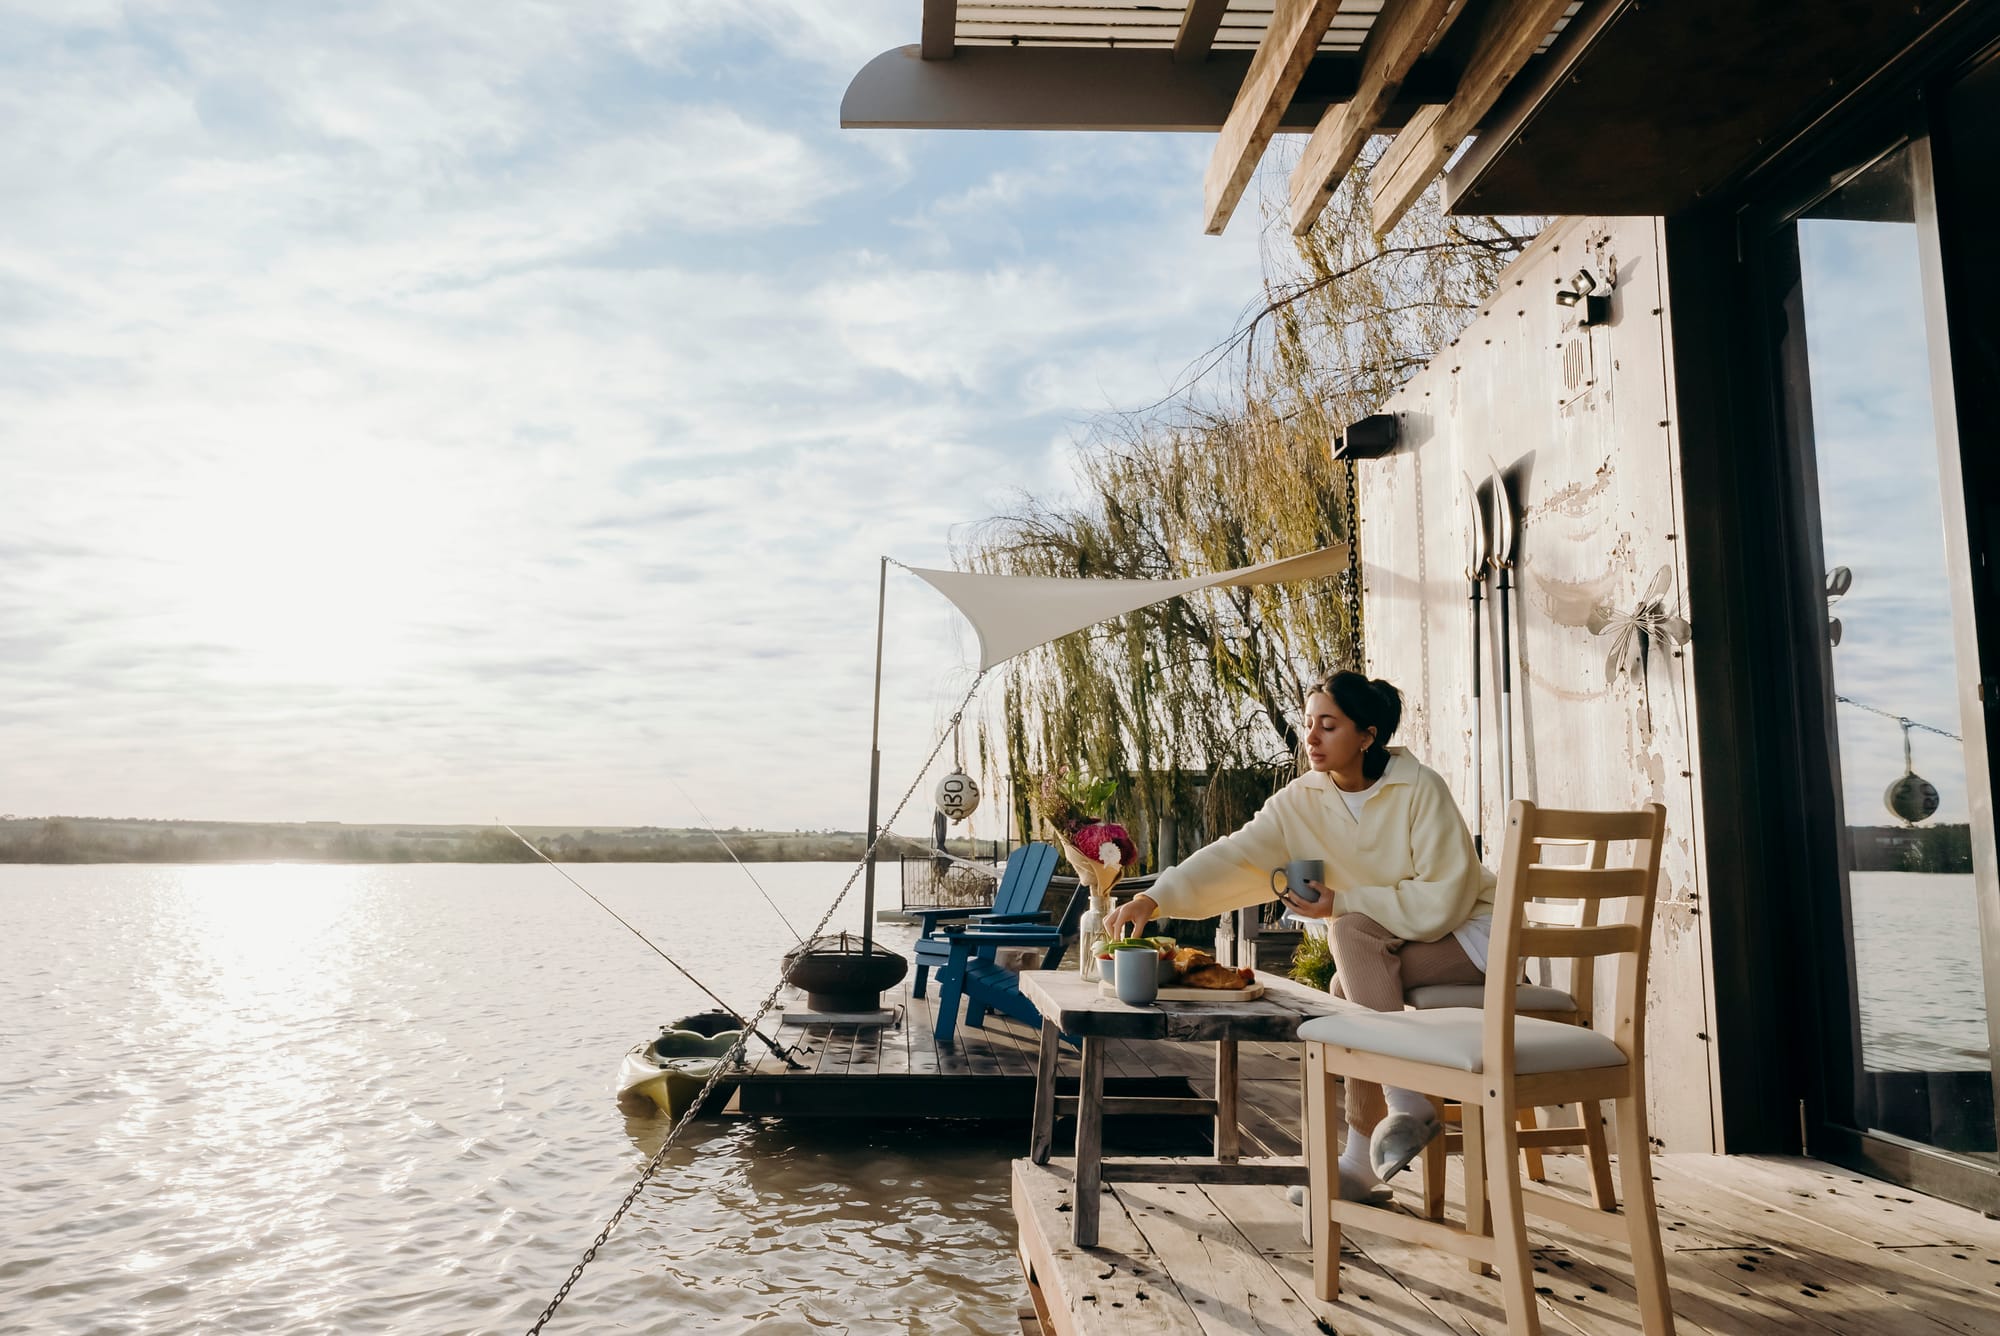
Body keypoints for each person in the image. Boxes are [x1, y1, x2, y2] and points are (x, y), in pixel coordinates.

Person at [1103, 670, 1495, 1203]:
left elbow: (1445, 894)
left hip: (1472, 937)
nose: (1310, 737)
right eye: (1308, 724)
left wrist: (1344, 903)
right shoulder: (1301, 800)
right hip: (1401, 940)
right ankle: (1368, 1151)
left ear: (1367, 735)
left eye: (1328, 726)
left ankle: (1402, 1108)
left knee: (1350, 936)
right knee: (1346, 991)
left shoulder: (1419, 787)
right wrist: (1157, 897)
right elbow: (1233, 854)